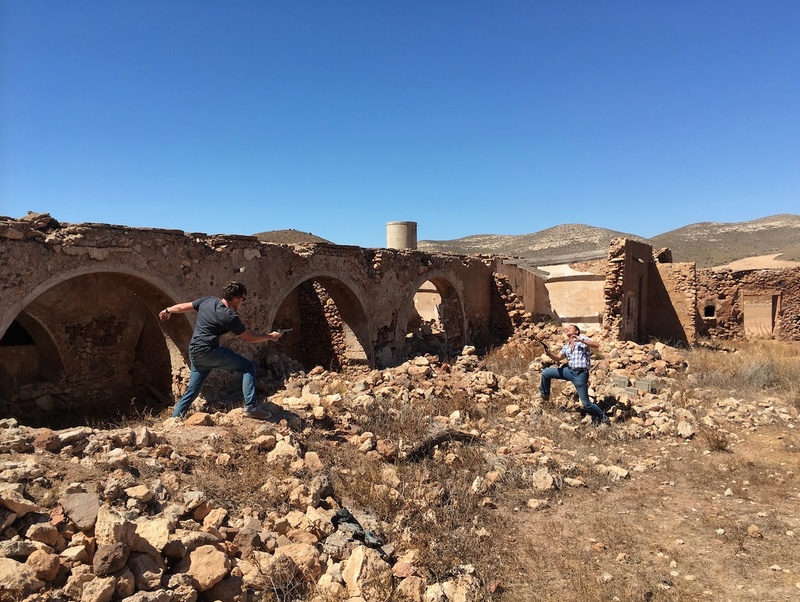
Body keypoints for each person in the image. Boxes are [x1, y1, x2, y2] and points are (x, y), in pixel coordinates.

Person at [159, 281, 282, 420]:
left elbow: (182, 307)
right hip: (209, 352)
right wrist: (270, 337)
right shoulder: (229, 317)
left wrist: (167, 310)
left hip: (195, 351)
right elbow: (249, 338)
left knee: (192, 391)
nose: (243, 302)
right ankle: (251, 407)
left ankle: (175, 420)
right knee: (248, 367)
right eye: (243, 298)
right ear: (235, 298)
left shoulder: (208, 301)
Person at [539, 324, 609, 425]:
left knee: (586, 404)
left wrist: (581, 340)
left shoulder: (582, 339)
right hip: (569, 371)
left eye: (570, 328)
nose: (567, 329)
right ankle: (545, 395)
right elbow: (559, 357)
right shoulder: (566, 346)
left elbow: (596, 345)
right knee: (546, 373)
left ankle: (604, 418)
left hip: (580, 375)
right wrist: (549, 354)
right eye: (566, 329)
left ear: (576, 331)